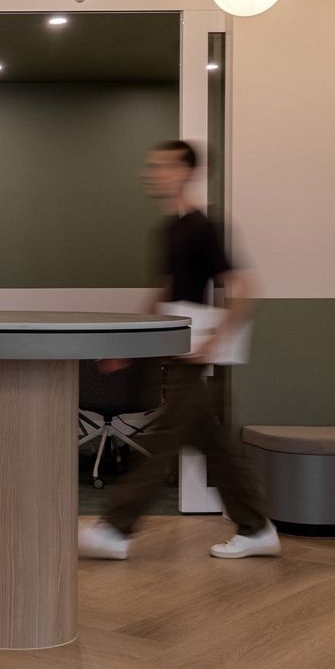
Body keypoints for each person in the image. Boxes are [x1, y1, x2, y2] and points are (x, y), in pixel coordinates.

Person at [78, 139, 280, 560]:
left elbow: (244, 288)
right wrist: (131, 343)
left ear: (186, 172)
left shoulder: (204, 227)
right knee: (214, 445)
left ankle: (116, 527)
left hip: (193, 354)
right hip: (173, 348)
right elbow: (167, 290)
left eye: (162, 165)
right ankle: (257, 527)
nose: (151, 172)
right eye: (151, 165)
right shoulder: (170, 229)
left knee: (166, 438)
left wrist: (215, 338)